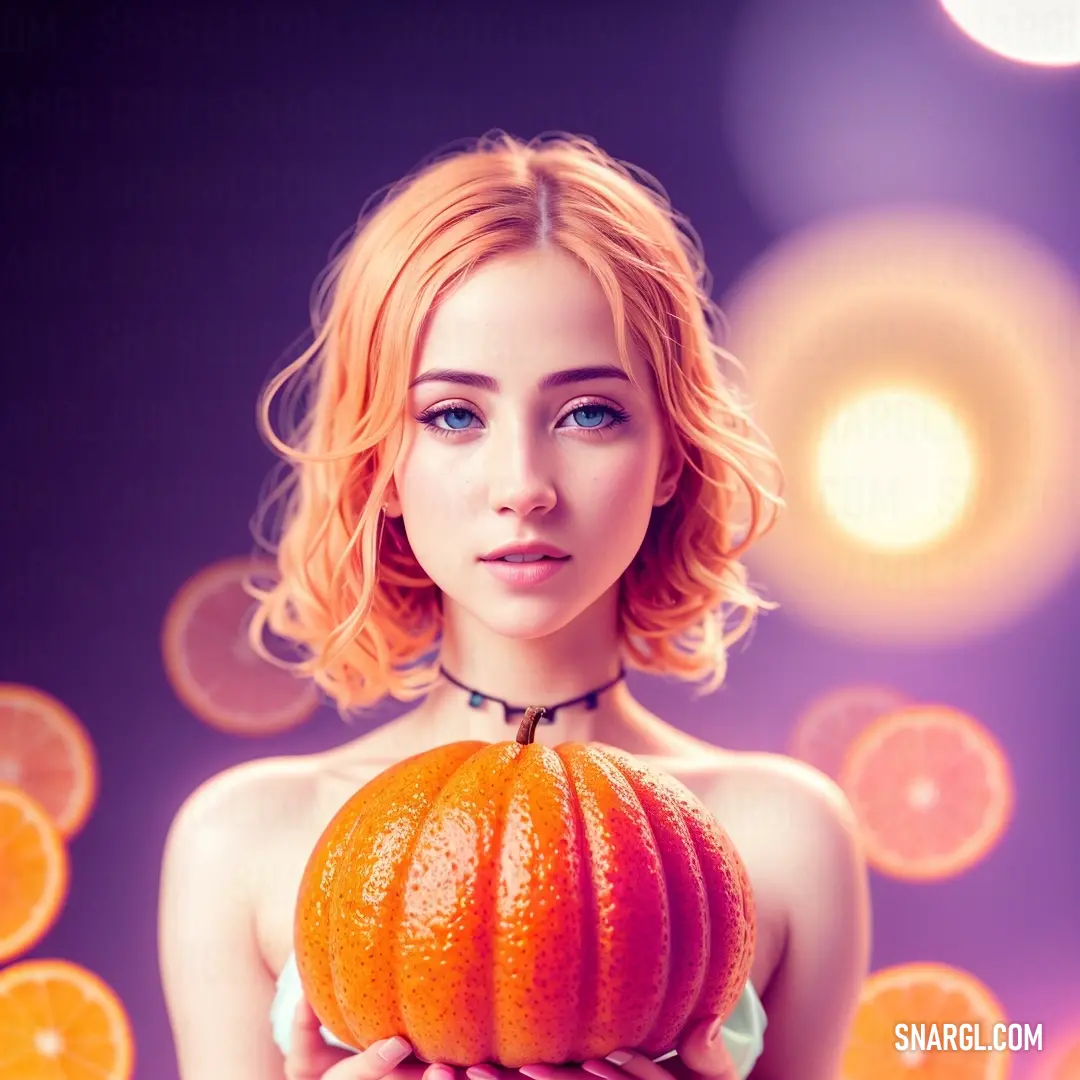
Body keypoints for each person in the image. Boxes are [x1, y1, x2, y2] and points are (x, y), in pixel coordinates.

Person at [158, 130, 871, 1080]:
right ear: (383, 466)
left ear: (670, 453)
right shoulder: (239, 840)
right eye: (454, 415)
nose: (524, 484)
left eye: (589, 413)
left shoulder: (790, 837)